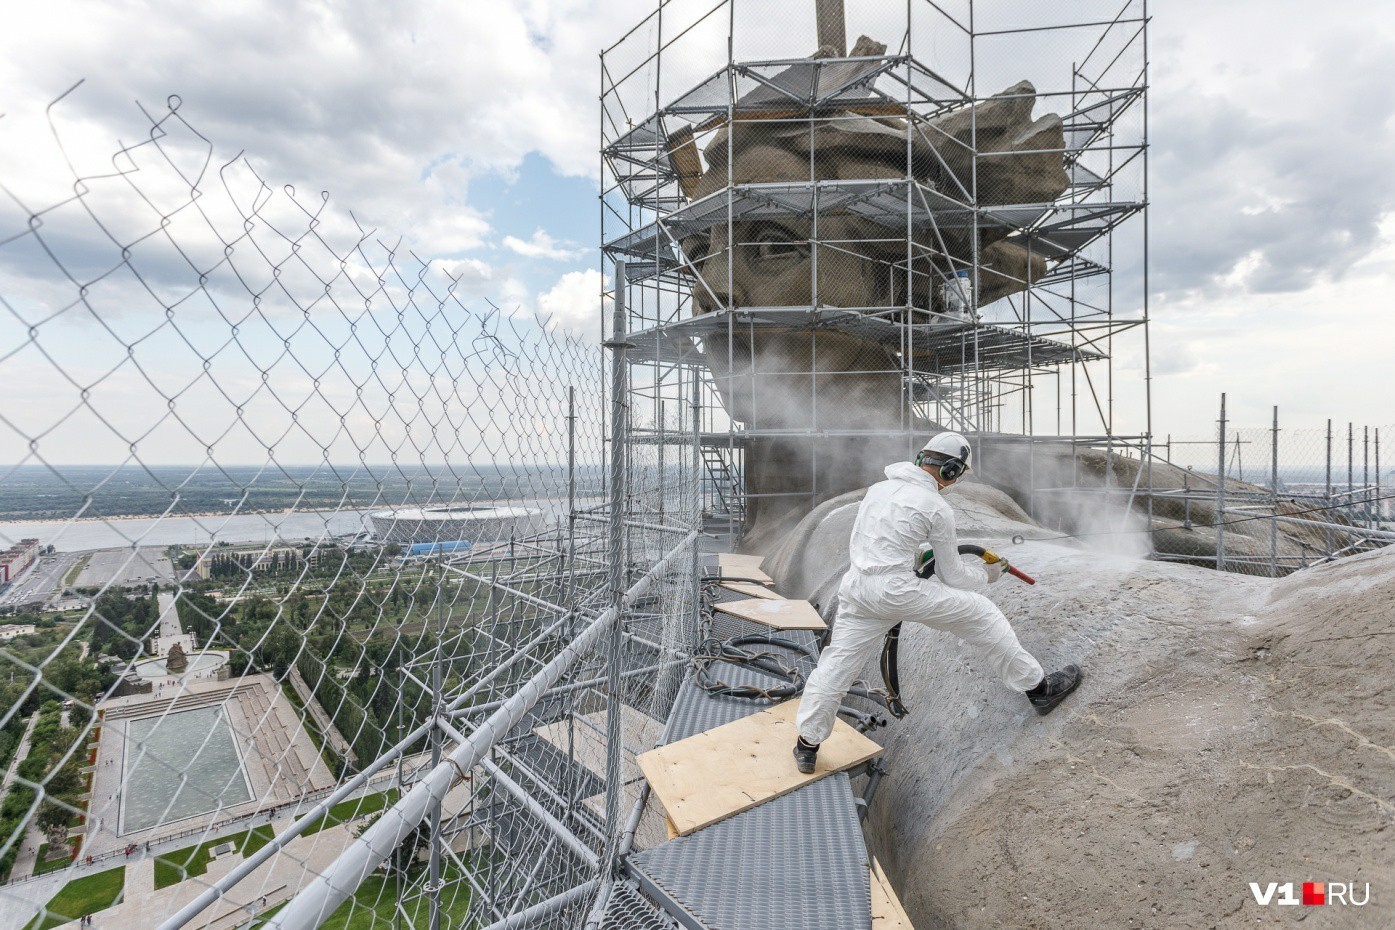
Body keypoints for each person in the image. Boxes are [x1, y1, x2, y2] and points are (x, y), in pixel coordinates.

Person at [793, 431, 1082, 774]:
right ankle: (1039, 688)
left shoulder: (878, 490)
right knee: (982, 612)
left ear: (921, 458)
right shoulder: (935, 506)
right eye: (957, 475)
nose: (955, 482)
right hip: (896, 591)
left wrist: (914, 552)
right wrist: (989, 574)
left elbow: (878, 540)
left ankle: (806, 745)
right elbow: (954, 577)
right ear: (949, 470)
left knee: (835, 668)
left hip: (857, 589)